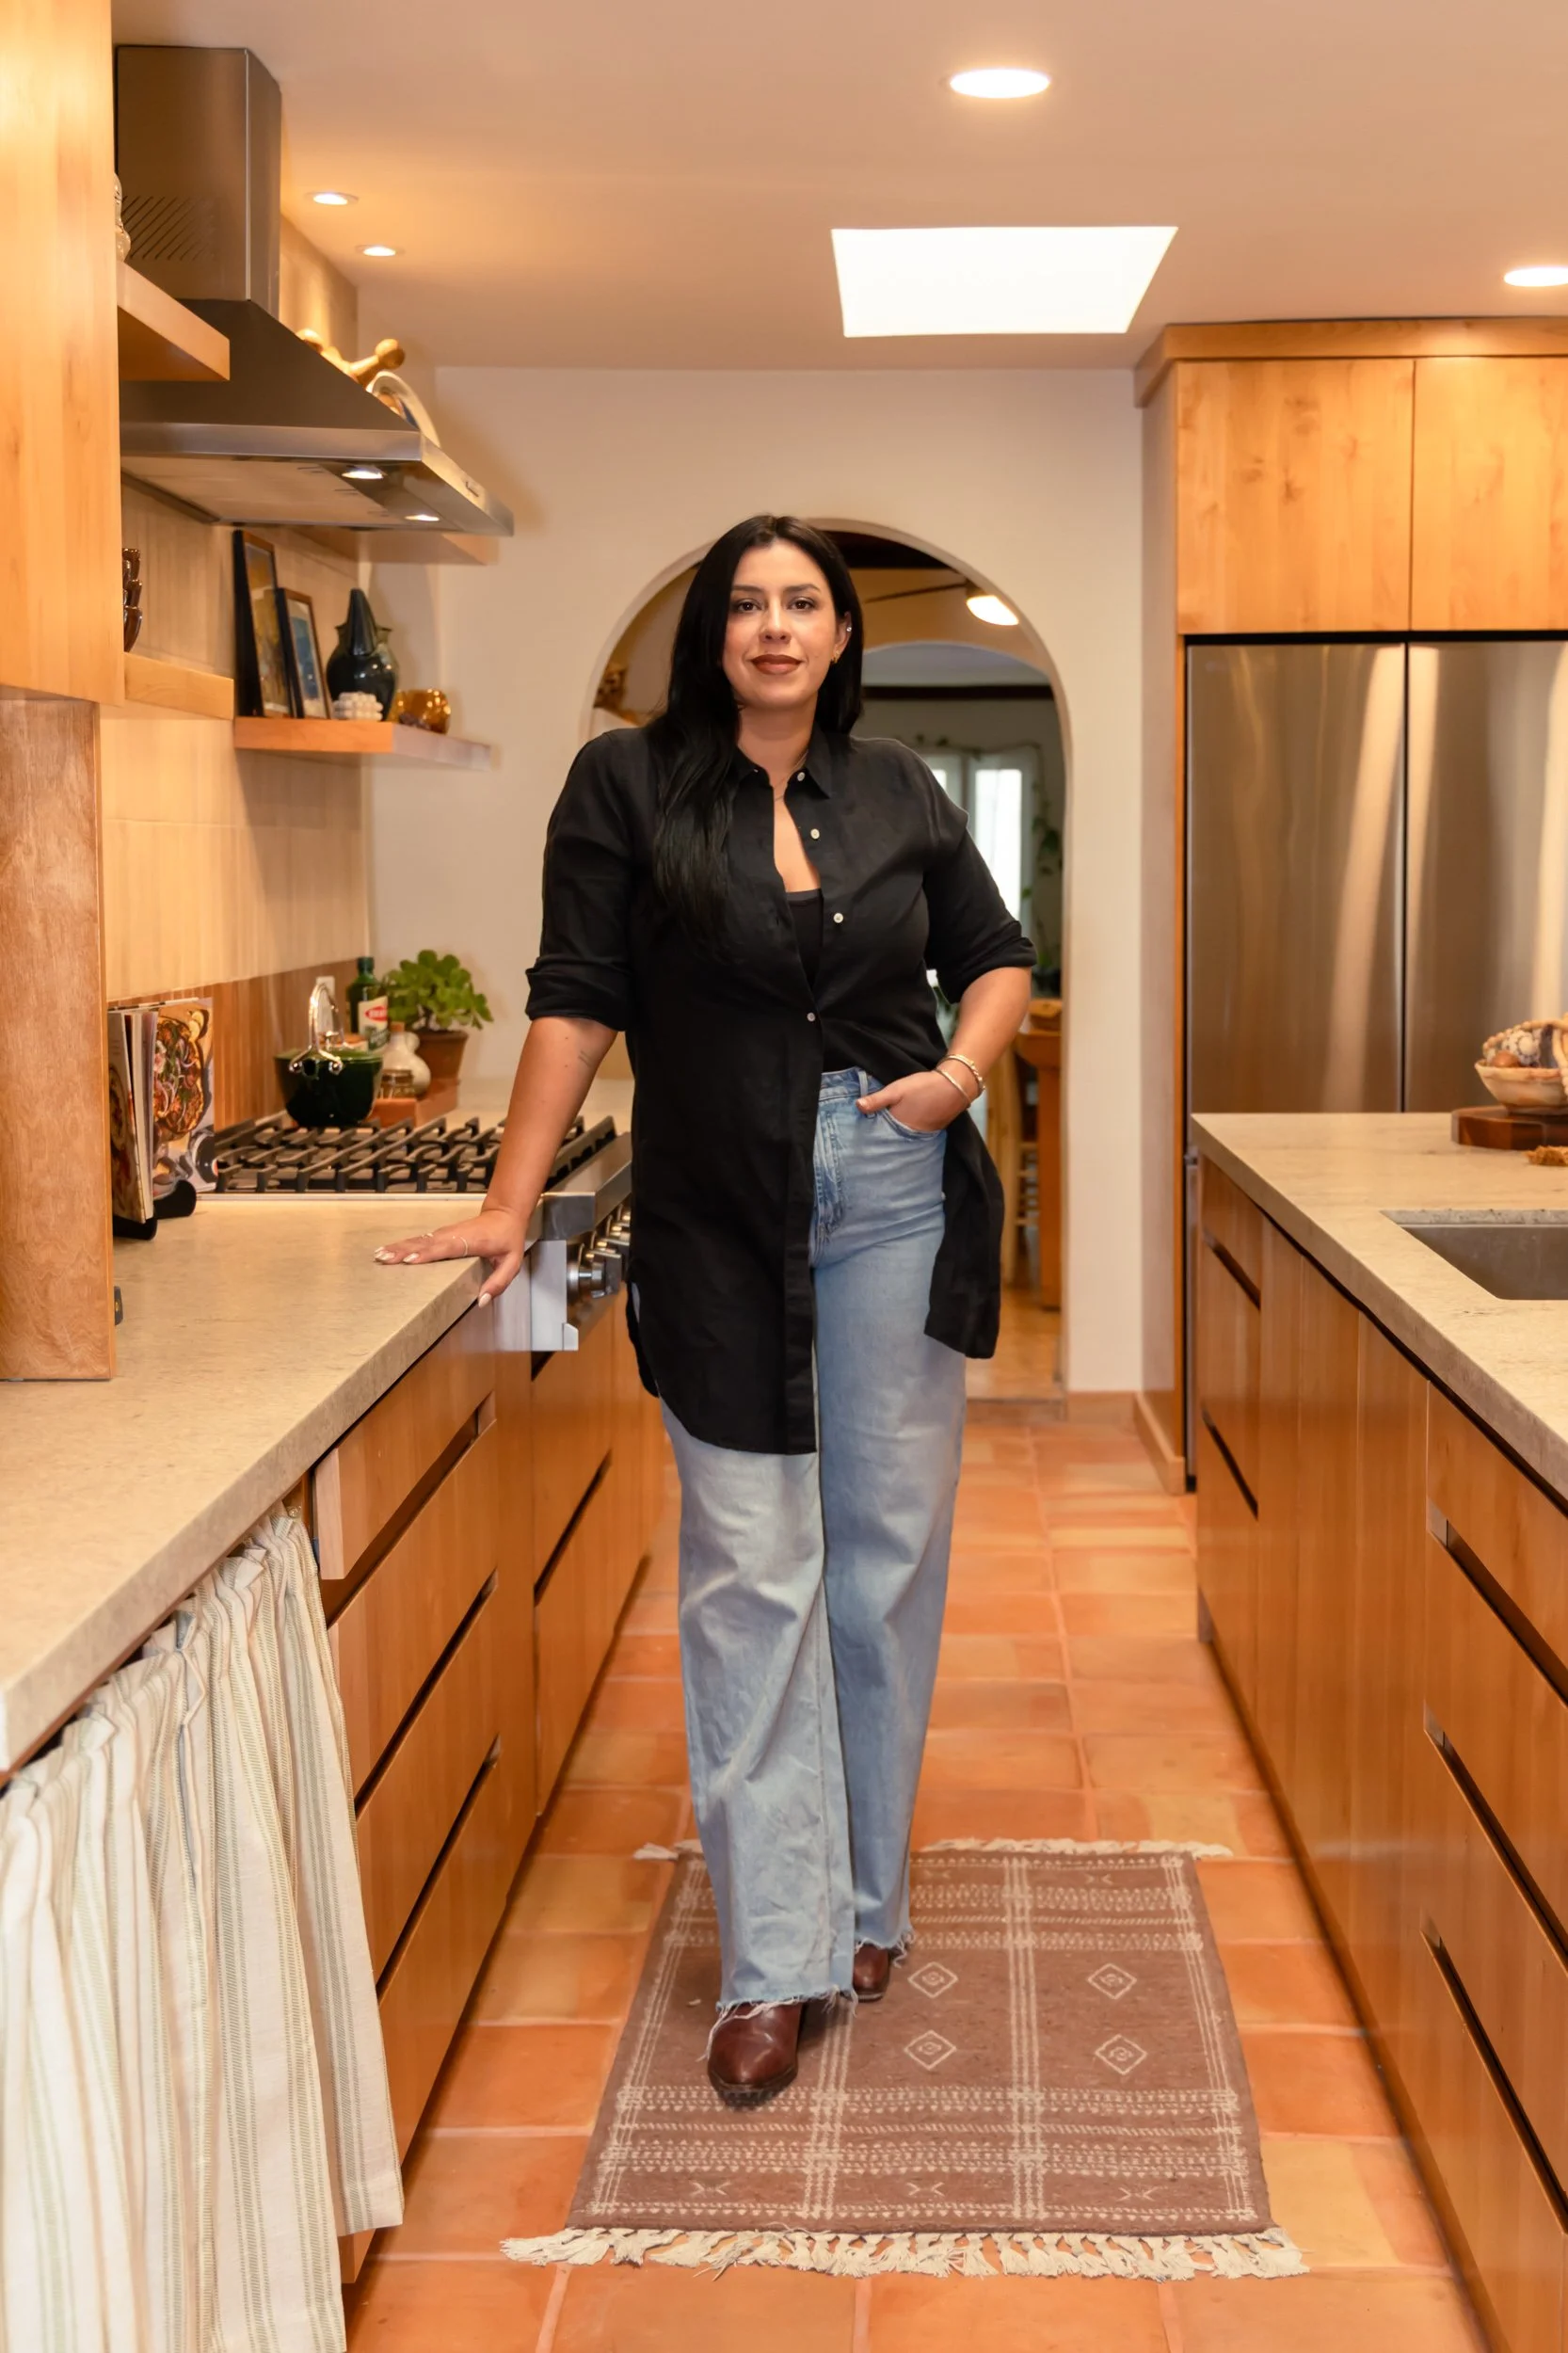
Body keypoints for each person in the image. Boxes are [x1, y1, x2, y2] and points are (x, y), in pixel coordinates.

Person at [376, 515, 1034, 2103]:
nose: (773, 628)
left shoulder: (893, 791)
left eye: (801, 603)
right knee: (752, 1572)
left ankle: (869, 1901)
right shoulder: (625, 786)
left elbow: (996, 955)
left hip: (892, 1192)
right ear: (708, 634)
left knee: (879, 1565)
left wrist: (955, 1075)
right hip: (715, 1209)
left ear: (839, 633)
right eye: (744, 604)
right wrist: (510, 1199)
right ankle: (776, 1955)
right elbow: (574, 999)